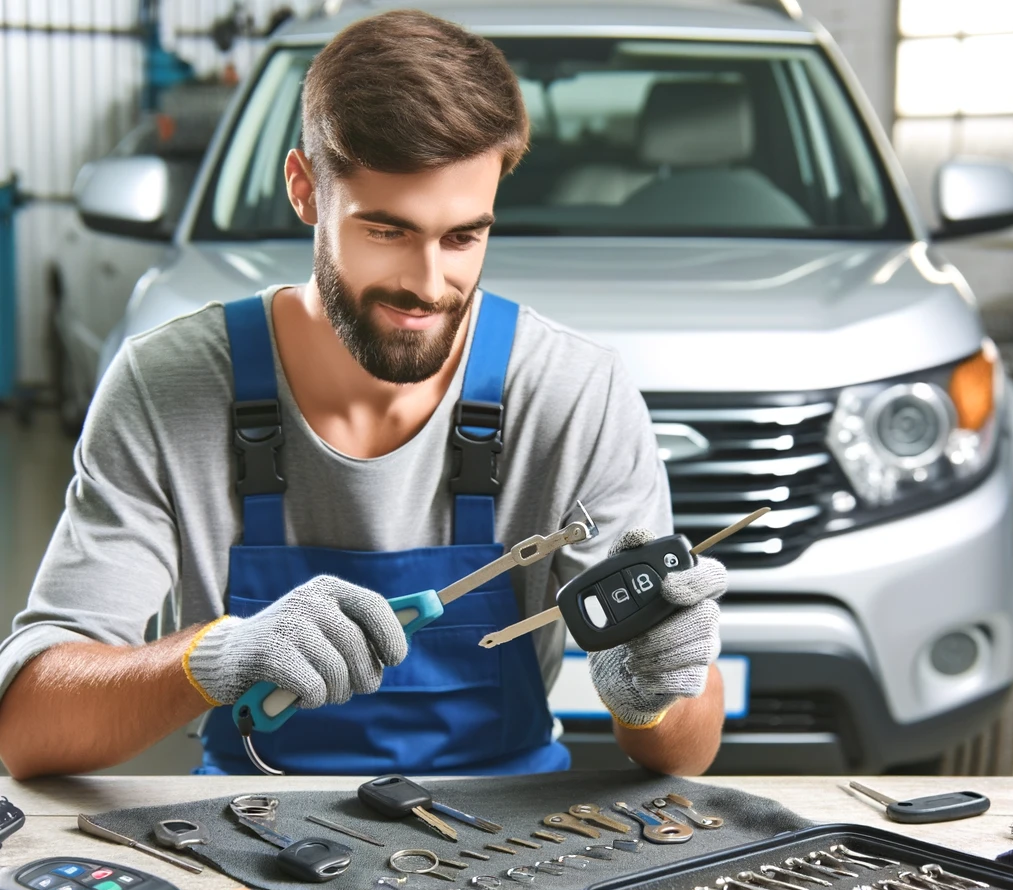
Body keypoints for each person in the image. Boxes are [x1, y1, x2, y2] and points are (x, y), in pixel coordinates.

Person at [0, 9, 726, 780]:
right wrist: (215, 656)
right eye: (387, 231)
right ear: (306, 190)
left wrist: (652, 695)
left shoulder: (574, 392)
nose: (428, 285)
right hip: (251, 842)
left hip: (510, 850)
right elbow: (25, 730)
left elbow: (688, 752)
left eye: (462, 237)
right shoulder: (169, 384)